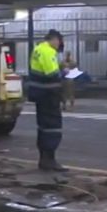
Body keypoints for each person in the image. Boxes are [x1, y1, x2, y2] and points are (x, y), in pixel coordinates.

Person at [29, 29, 67, 171]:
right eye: (59, 43)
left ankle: (44, 159)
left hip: (40, 94)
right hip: (49, 95)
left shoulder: (38, 49)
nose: (59, 46)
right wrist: (63, 71)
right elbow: (52, 73)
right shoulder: (48, 51)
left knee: (43, 127)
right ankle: (49, 160)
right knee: (52, 127)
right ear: (55, 39)